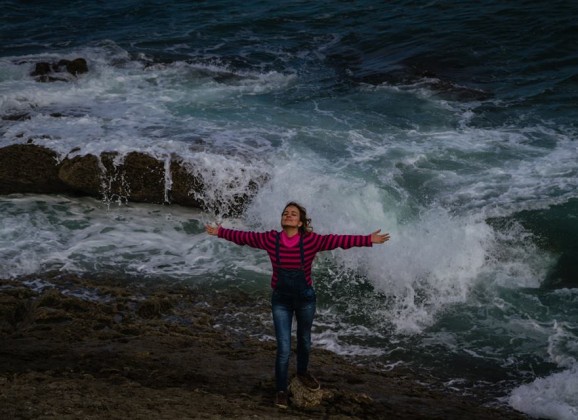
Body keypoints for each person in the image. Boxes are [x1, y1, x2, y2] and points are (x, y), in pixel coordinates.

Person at [205, 201, 390, 409]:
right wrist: (220, 232)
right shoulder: (270, 239)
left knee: (304, 341)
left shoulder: (311, 241)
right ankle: (281, 391)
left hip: (305, 299)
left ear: (300, 222)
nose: (288, 215)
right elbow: (245, 237)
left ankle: (302, 372)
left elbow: (338, 240)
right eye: (285, 213)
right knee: (283, 348)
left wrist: (368, 239)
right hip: (281, 301)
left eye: (293, 214)